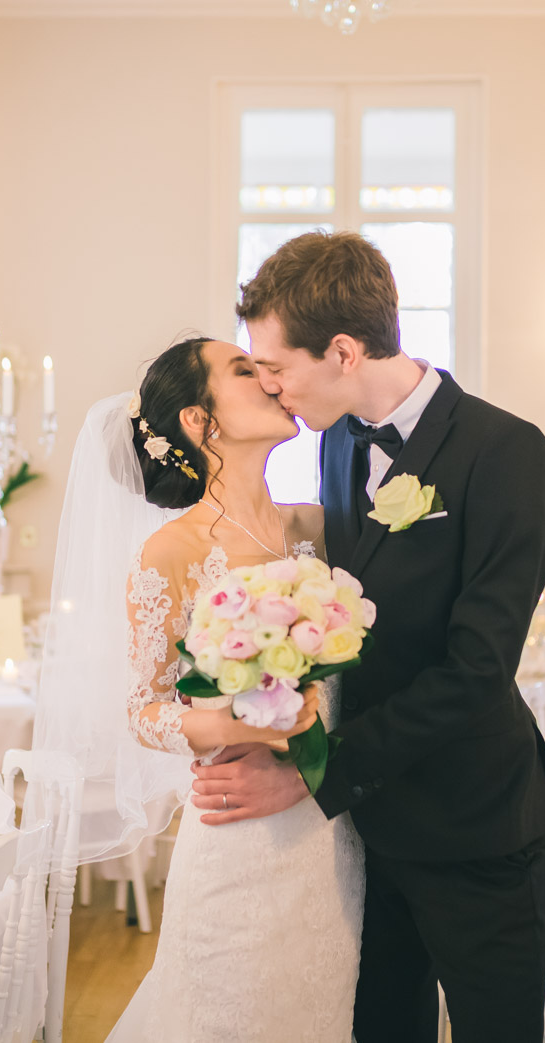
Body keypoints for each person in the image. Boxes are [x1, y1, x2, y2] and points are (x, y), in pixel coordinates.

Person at [195, 230, 545, 1041]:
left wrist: (313, 774)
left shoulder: (505, 451)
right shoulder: (335, 441)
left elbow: (475, 672)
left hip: (476, 828)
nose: (268, 384)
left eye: (276, 367)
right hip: (368, 836)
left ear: (342, 351)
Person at [101, 336, 365, 1042]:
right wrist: (242, 730)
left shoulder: (316, 528)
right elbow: (144, 708)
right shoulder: (172, 552)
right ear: (200, 421)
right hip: (237, 836)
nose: (273, 381)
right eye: (246, 370)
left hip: (329, 834)